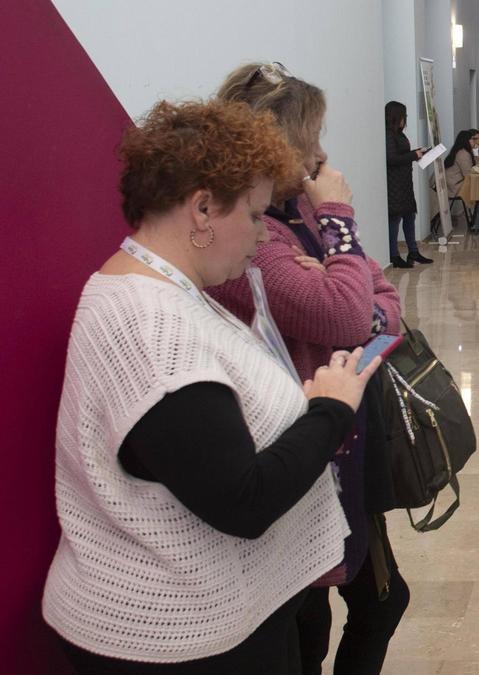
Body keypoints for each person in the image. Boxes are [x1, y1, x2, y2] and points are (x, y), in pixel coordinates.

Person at [43, 99, 382, 672]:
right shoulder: (150, 326)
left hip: (211, 620)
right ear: (202, 210)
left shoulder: (165, 292)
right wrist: (328, 411)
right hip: (176, 637)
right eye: (253, 216)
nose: (262, 236)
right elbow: (242, 500)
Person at [211, 62, 408, 675]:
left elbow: (385, 304)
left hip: (340, 440)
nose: (322, 153)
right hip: (296, 450)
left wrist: (350, 294)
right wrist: (340, 222)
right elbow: (345, 317)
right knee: (309, 625)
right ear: (274, 146)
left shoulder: (299, 211)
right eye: (310, 139)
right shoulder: (250, 234)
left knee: (378, 599)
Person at [384, 101, 432, 267]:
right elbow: (390, 159)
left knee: (410, 216)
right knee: (395, 220)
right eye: (404, 116)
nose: (406, 120)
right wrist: (413, 155)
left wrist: (418, 152)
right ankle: (393, 255)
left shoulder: (399, 134)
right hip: (394, 184)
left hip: (405, 183)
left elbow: (402, 154)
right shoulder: (388, 135)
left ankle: (413, 251)